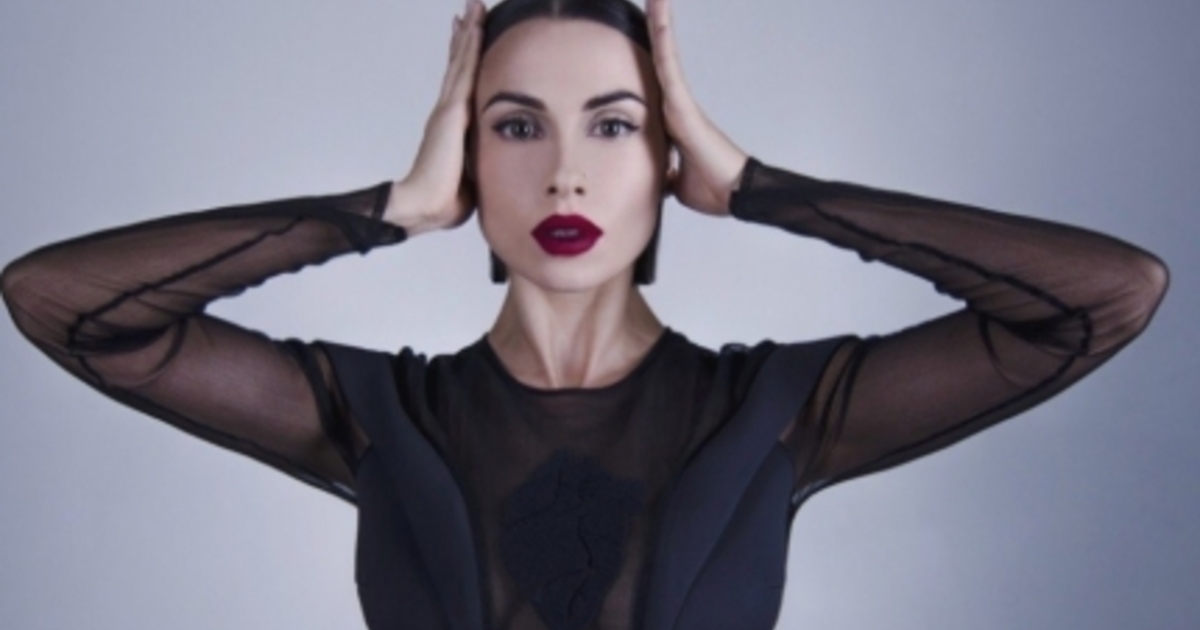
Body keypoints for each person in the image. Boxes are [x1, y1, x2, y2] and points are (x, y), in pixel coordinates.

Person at [0, 0, 1170, 628]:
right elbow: (63, 304)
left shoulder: (776, 408)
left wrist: (758, 187)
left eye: (614, 125)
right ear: (468, 157)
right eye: (517, 126)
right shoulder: (373, 413)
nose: (564, 173)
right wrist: (385, 211)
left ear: (666, 160)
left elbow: (1103, 297)